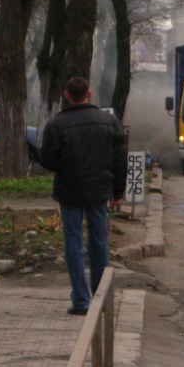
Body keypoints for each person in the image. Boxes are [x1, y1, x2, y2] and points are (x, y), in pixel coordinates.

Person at [37, 76, 127, 315]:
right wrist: (118, 191)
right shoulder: (109, 122)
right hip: (99, 191)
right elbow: (120, 160)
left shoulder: (56, 125)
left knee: (73, 244)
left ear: (66, 95)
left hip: (70, 191)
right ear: (89, 94)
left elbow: (48, 161)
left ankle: (80, 300)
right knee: (99, 242)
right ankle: (100, 298)